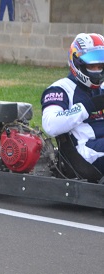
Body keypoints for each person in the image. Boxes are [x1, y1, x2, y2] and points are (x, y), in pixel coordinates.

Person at [41, 33, 104, 173]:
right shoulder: (60, 89)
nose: (97, 71)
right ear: (77, 63)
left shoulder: (102, 88)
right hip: (84, 150)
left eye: (100, 65)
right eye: (92, 66)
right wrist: (87, 107)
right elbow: (50, 124)